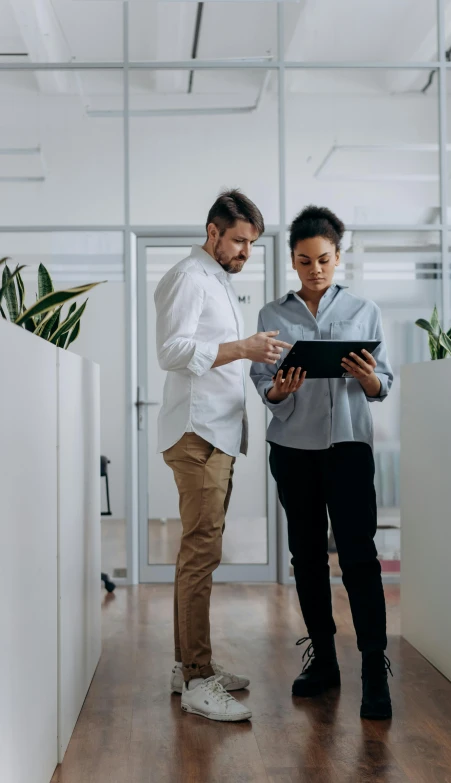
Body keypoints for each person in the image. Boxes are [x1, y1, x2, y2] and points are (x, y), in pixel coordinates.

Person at [250, 205, 394, 720]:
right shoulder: (273, 316)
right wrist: (279, 391)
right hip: (293, 450)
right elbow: (263, 384)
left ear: (338, 256)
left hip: (350, 448)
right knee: (307, 557)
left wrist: (366, 378)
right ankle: (325, 660)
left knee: (358, 557)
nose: (316, 269)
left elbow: (384, 385)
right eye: (306, 260)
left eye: (325, 259)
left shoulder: (365, 309)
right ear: (292, 260)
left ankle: (374, 668)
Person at [154, 189, 292, 722]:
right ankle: (196, 678)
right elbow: (171, 350)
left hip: (215, 434)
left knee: (200, 555)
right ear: (212, 232)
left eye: (251, 243)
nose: (245, 252)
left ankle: (187, 666)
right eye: (238, 241)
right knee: (200, 556)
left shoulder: (214, 280)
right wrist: (245, 349)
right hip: (197, 436)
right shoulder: (190, 277)